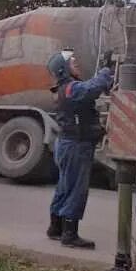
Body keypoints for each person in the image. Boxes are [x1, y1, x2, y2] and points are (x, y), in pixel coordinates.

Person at [46, 49, 113, 249]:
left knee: (65, 186)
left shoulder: (65, 88)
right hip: (76, 145)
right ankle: (70, 235)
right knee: (76, 189)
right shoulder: (71, 89)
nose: (76, 64)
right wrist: (105, 71)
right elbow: (92, 88)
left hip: (68, 144)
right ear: (63, 69)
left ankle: (55, 228)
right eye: (72, 62)